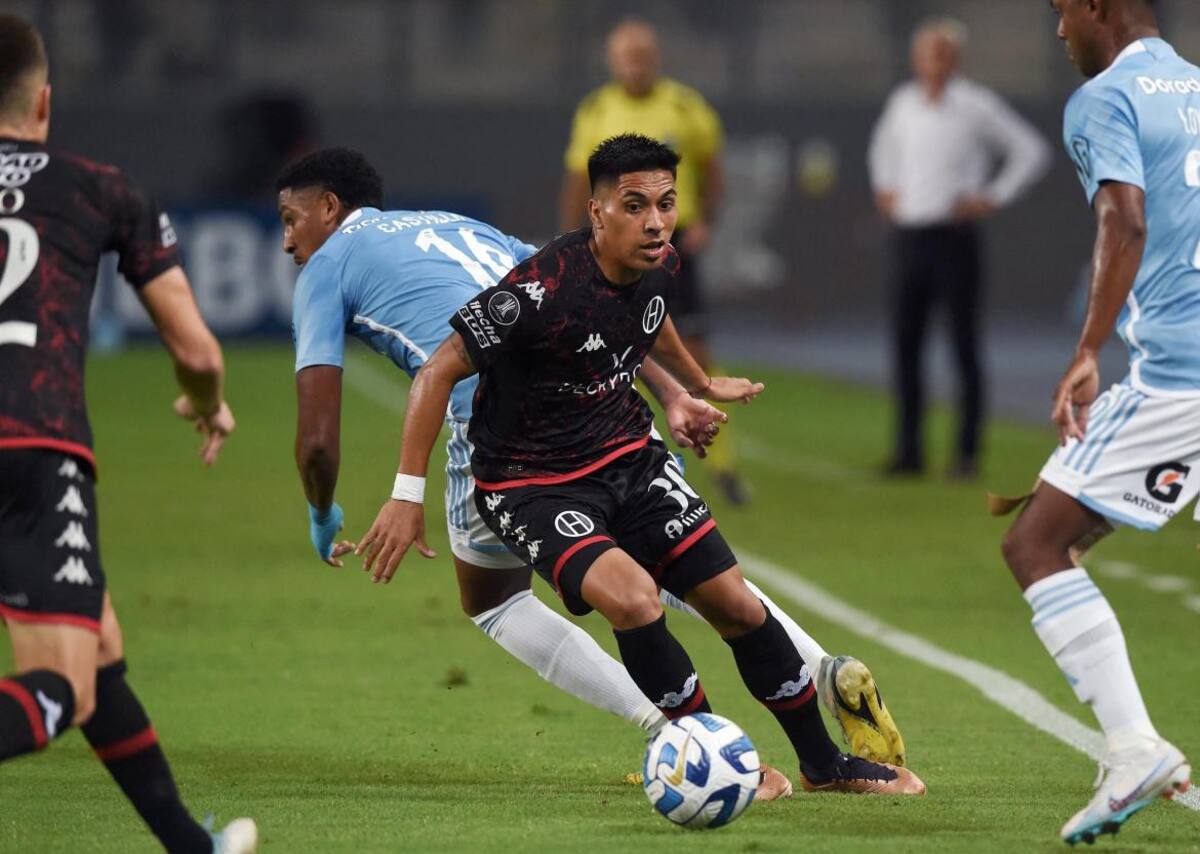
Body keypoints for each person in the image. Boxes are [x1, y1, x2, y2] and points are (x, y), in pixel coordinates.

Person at [277, 147, 910, 793]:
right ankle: (817, 668)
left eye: (290, 219)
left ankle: (680, 739)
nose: (287, 241)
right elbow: (585, 314)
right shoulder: (451, 223)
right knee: (682, 578)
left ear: (328, 208)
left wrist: (330, 510)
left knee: (499, 600)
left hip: (507, 437)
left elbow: (320, 439)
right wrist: (672, 392)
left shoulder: (326, 267)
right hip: (601, 409)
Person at [0, 14, 255, 854]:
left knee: (98, 640)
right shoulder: (98, 187)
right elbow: (195, 348)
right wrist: (206, 398)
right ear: (43, 100)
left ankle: (190, 846)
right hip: (31, 452)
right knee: (58, 693)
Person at [1000, 0, 1193, 844]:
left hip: (1180, 380)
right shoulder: (1194, 87)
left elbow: (1125, 215)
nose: (1057, 32)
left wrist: (1086, 350)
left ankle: (1132, 747)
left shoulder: (1105, 98)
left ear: (1099, 5)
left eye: (1061, 10)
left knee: (1036, 543)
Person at [560, 19, 748, 504]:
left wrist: (706, 219)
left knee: (694, 349)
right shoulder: (597, 109)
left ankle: (723, 464)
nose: (634, 64)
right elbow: (579, 179)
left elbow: (712, 166)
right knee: (620, 349)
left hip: (674, 244)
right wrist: (576, 239)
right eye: (626, 56)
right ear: (612, 60)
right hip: (613, 247)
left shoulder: (684, 106)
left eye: (642, 54)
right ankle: (638, 460)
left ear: (656, 57)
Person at [869, 17, 1050, 480]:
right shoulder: (903, 103)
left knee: (963, 346)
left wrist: (992, 196)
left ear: (956, 59)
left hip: (955, 239)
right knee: (906, 346)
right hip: (910, 236)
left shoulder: (974, 105)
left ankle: (966, 454)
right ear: (917, 59)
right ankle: (909, 451)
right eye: (928, 53)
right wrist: (886, 188)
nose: (934, 62)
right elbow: (883, 151)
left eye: (943, 53)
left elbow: (1030, 150)